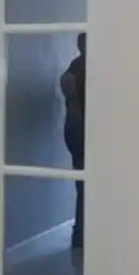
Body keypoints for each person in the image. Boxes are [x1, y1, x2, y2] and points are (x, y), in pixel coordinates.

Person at [60, 33, 86, 249]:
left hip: (74, 132)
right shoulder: (84, 69)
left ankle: (80, 235)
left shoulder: (75, 67)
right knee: (86, 186)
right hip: (81, 132)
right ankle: (82, 235)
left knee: (83, 184)